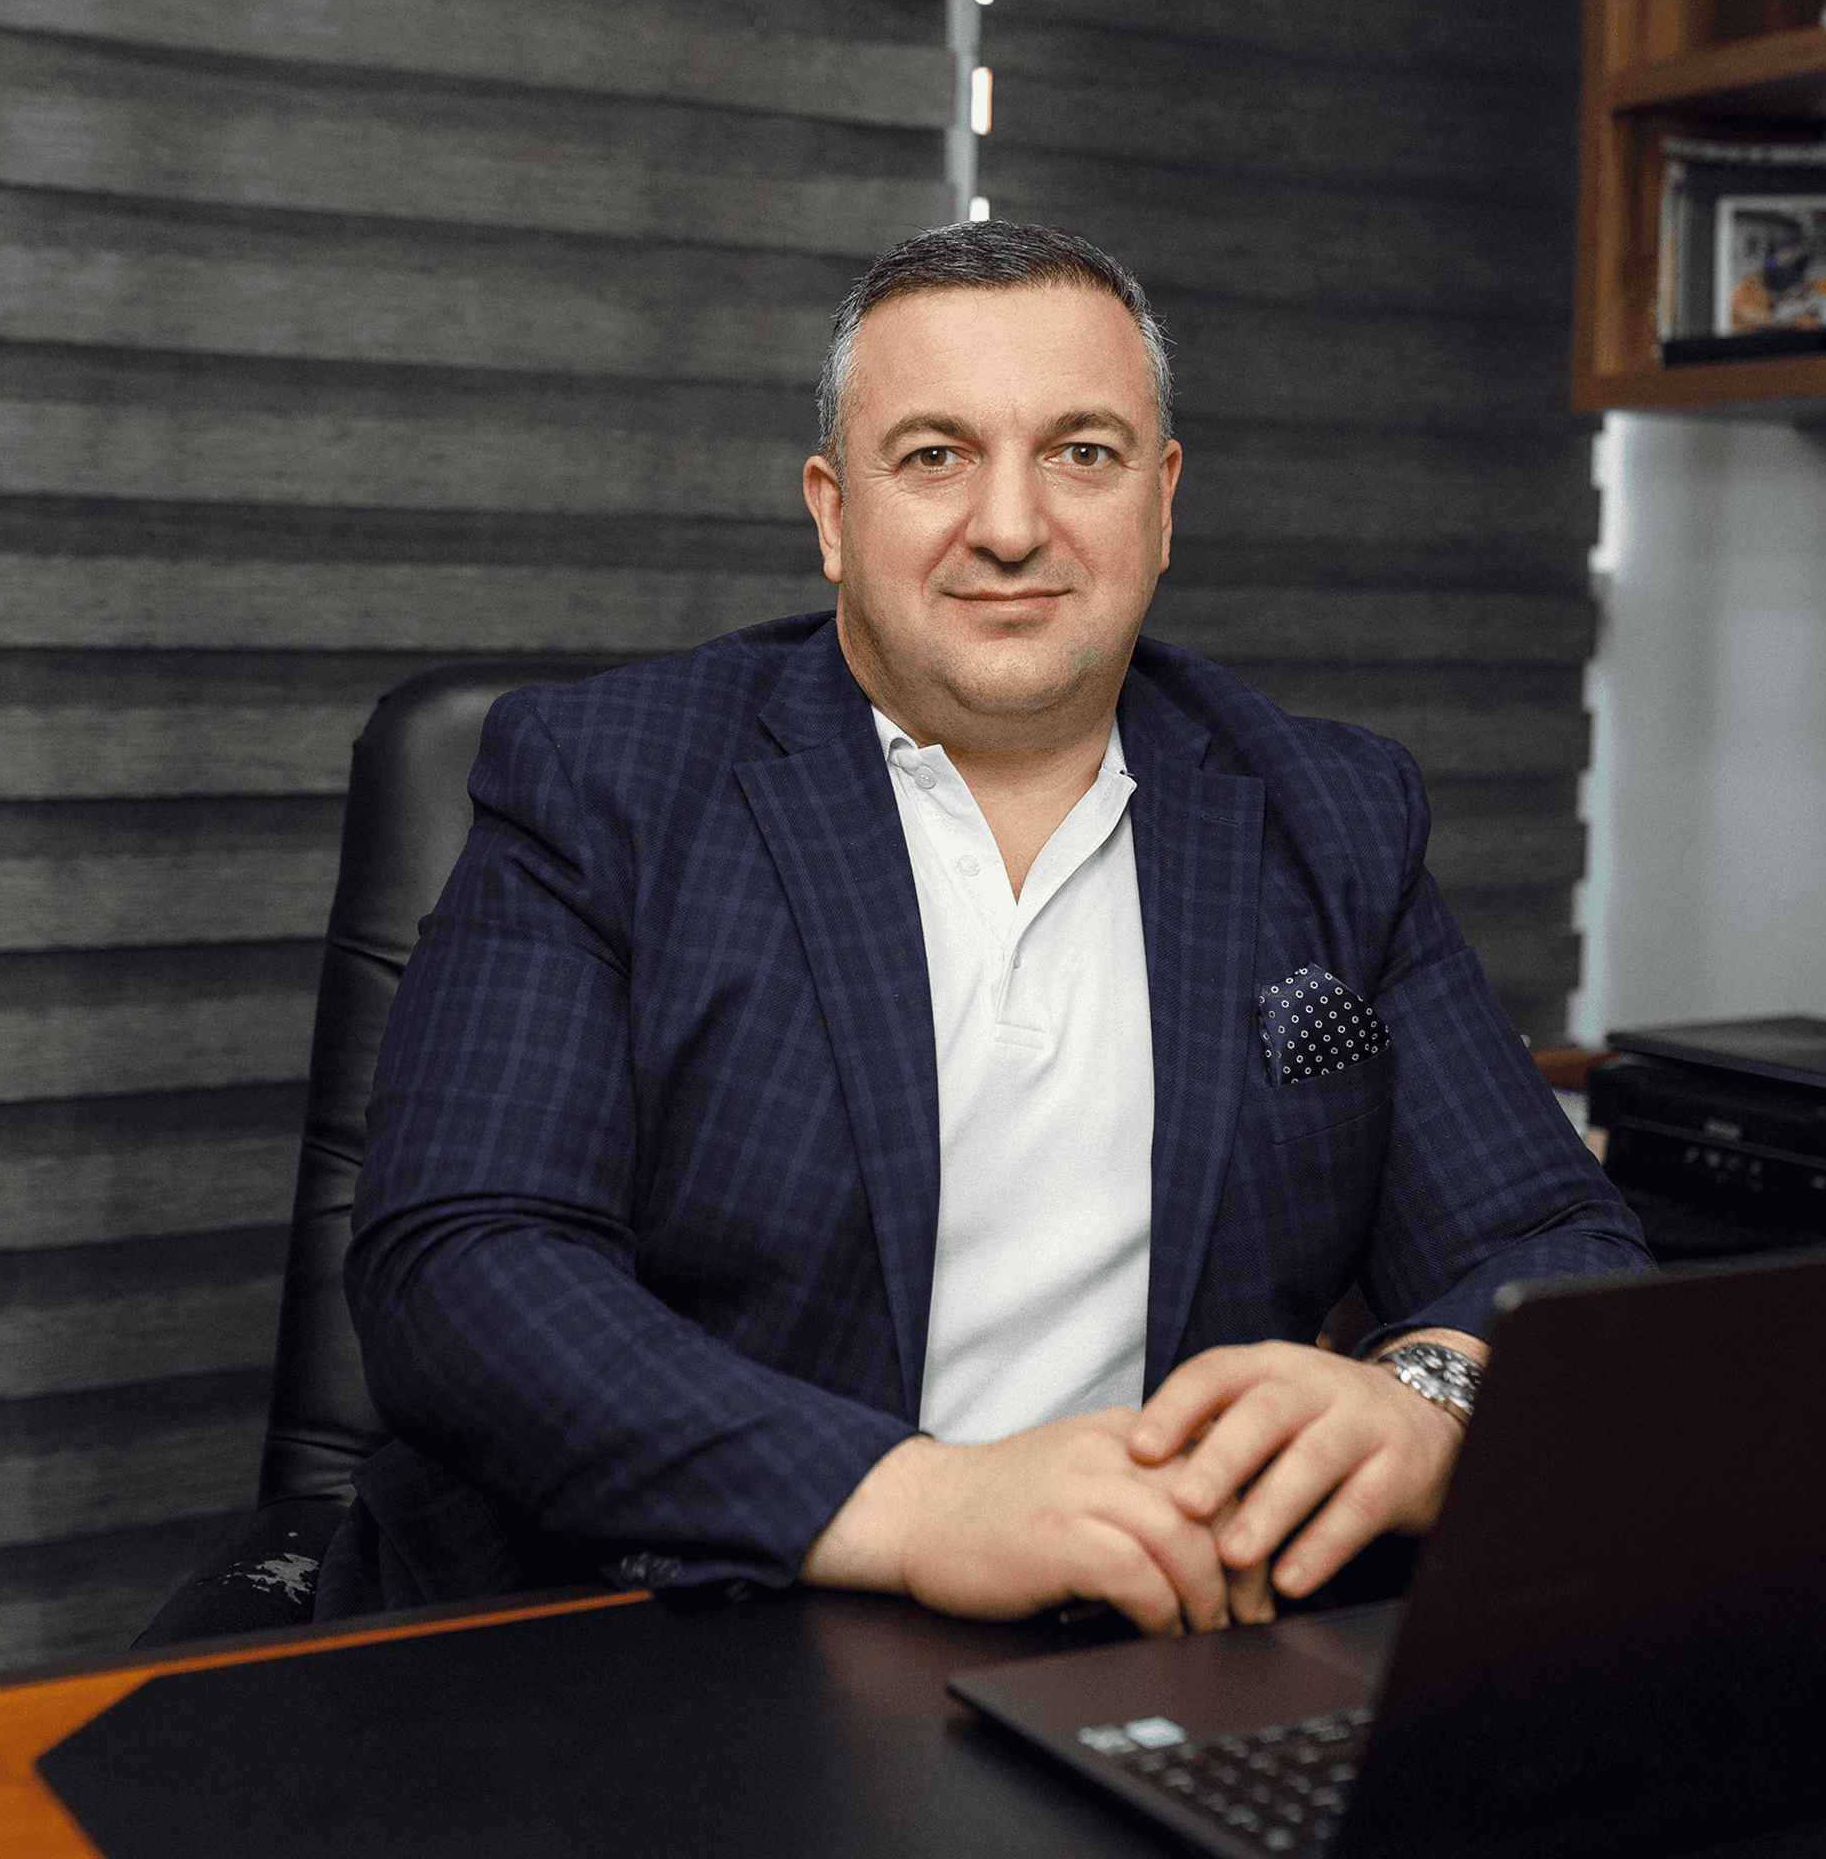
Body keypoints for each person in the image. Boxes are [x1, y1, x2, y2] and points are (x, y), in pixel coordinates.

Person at [312, 223, 1649, 1634]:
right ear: (833, 512)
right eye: (936, 455)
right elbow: (460, 1269)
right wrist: (914, 1500)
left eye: (1083, 452)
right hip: (669, 1628)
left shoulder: (1329, 812)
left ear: (1164, 500)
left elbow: (1557, 1238)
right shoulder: (608, 786)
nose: (1012, 526)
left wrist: (1422, 1399)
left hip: (1155, 1635)